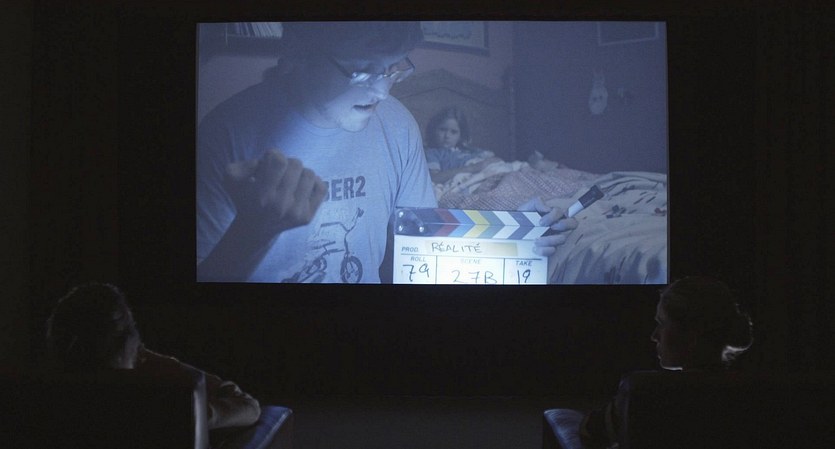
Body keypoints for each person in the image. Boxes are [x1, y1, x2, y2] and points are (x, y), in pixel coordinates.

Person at [196, 22, 575, 283]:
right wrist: (252, 233)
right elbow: (194, 300)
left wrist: (510, 238)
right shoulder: (224, 135)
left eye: (393, 68)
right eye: (361, 71)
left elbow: (423, 241)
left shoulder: (397, 123)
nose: (381, 92)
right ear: (296, 53)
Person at [45, 282, 261, 430]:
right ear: (129, 343)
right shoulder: (166, 409)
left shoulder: (43, 406)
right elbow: (248, 407)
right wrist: (155, 359)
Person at [579, 276, 754, 448]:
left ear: (692, 336)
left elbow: (589, 432)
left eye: (662, 323)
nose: (654, 336)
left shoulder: (642, 393)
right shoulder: (752, 399)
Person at [423, 106, 502, 184]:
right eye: (442, 130)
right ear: (433, 130)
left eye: (453, 132)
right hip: (475, 178)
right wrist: (472, 168)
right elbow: (434, 178)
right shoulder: (432, 153)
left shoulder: (468, 150)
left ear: (460, 136)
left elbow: (493, 158)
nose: (447, 136)